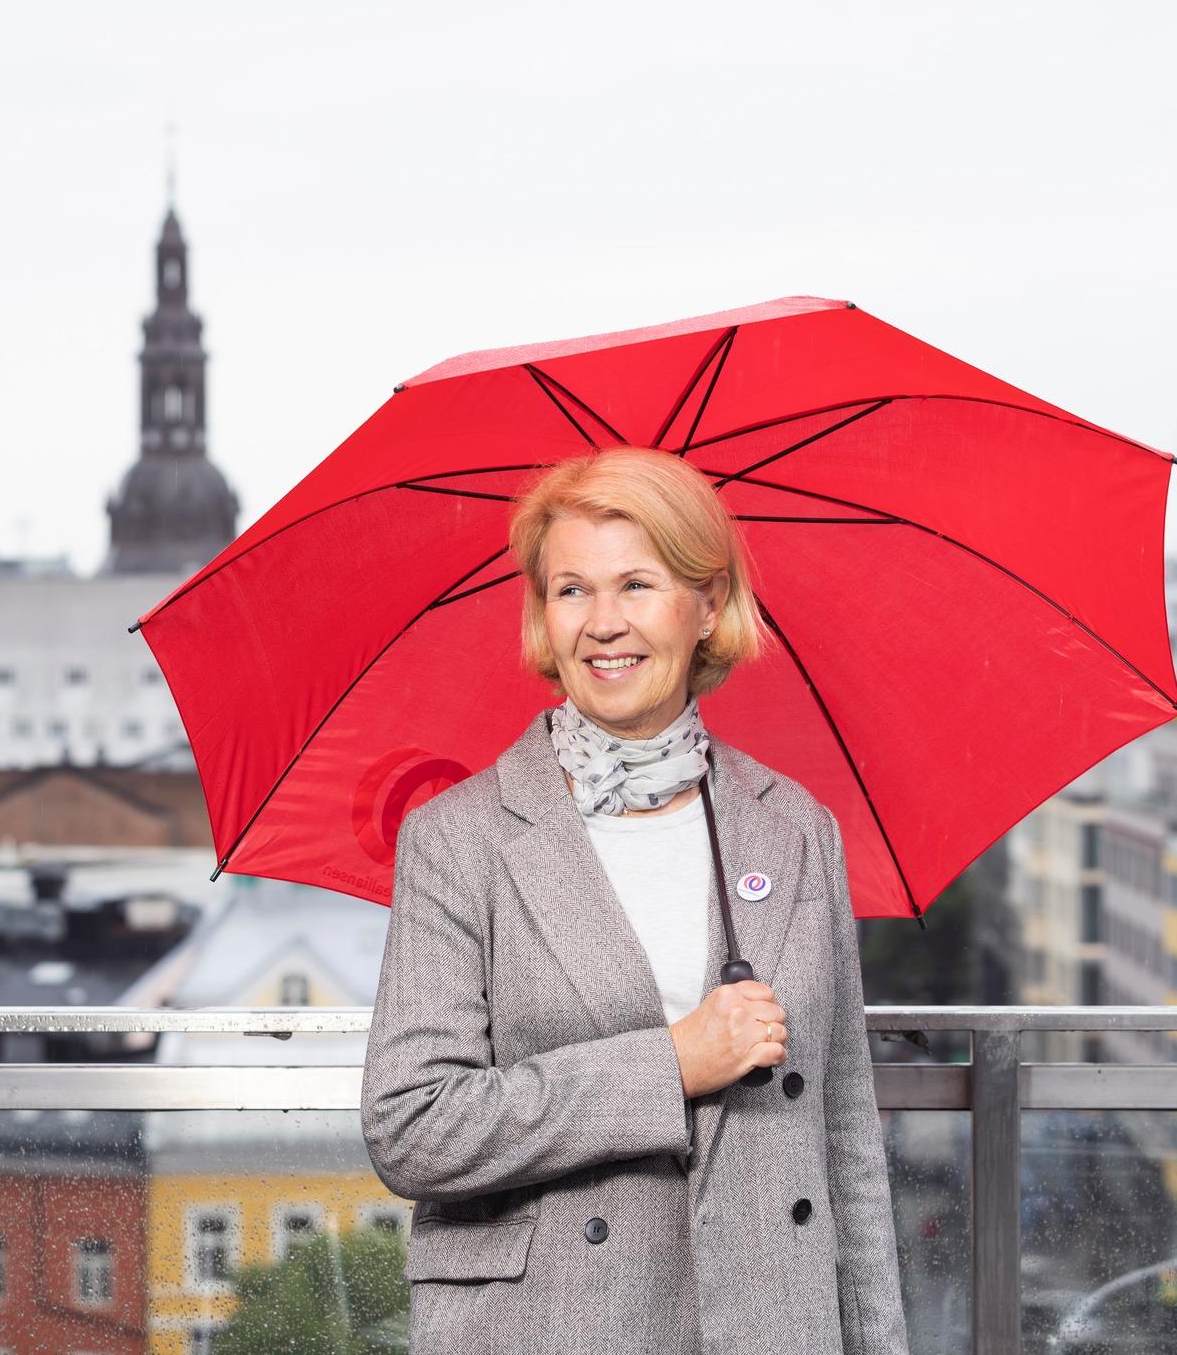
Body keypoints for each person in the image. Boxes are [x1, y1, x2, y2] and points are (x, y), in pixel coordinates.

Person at [360, 447, 909, 1353]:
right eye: (571, 590)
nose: (602, 624)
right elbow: (414, 1127)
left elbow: (845, 1137)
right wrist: (670, 1066)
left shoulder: (795, 829)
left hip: (772, 1323)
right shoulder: (461, 839)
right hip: (554, 1327)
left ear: (709, 605)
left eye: (638, 585)